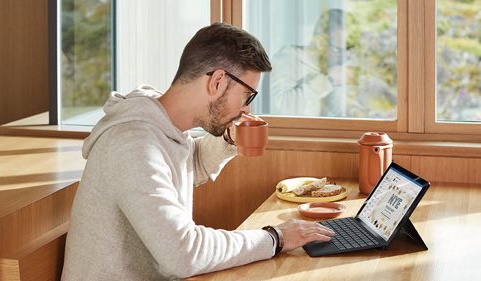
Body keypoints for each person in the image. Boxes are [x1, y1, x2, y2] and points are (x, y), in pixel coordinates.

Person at [61, 23, 335, 280]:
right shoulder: (132, 144)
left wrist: (229, 136)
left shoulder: (162, 122)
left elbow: (189, 163)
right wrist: (275, 238)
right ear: (216, 81)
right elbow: (182, 253)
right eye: (248, 95)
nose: (246, 109)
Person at [271, 9, 351, 117]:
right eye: (338, 50)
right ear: (320, 42)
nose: (343, 58)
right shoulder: (286, 60)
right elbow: (280, 110)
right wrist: (329, 81)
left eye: (347, 51)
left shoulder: (327, 64)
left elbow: (341, 110)